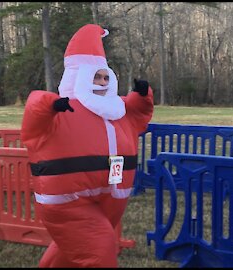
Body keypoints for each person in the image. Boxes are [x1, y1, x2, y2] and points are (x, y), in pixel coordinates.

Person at [21, 24, 154, 268]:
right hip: (69, 202)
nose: (102, 82)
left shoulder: (117, 109)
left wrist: (142, 95)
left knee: (71, 250)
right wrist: (50, 104)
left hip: (110, 197)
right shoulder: (63, 109)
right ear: (80, 77)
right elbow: (34, 115)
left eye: (105, 77)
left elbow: (139, 112)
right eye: (96, 76)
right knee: (100, 249)